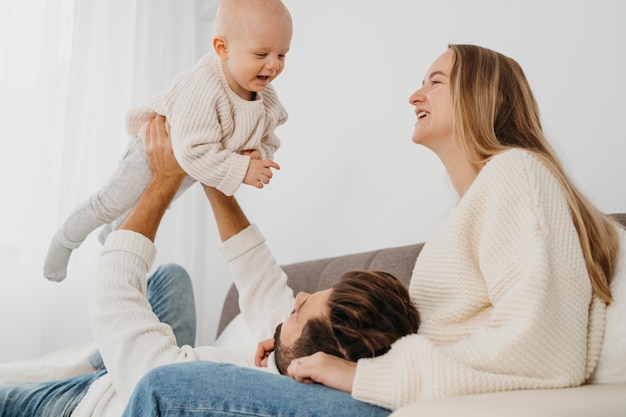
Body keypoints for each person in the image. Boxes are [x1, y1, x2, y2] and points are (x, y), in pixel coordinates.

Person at [120, 43, 626, 417]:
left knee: (166, 388)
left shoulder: (517, 176)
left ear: (478, 96)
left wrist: (364, 376)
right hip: (400, 393)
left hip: (398, 398)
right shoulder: (477, 206)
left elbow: (545, 353)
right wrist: (293, 348)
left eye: (434, 81)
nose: (414, 94)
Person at [0, 115, 420, 417]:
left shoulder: (213, 392)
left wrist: (166, 178)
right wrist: (209, 169)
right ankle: (99, 362)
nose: (301, 296)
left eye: (300, 311)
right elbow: (256, 269)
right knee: (171, 278)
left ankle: (98, 366)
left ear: (306, 370)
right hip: (125, 371)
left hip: (94, 402)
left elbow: (115, 303)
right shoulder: (292, 351)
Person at [43, 0, 292, 282]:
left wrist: (258, 153)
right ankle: (65, 240)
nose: (273, 65)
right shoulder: (204, 86)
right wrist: (241, 168)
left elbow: (270, 133)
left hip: (198, 163)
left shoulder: (267, 99)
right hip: (156, 149)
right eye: (262, 54)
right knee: (111, 203)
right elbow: (192, 151)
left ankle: (111, 235)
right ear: (223, 49)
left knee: (149, 206)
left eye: (282, 55)